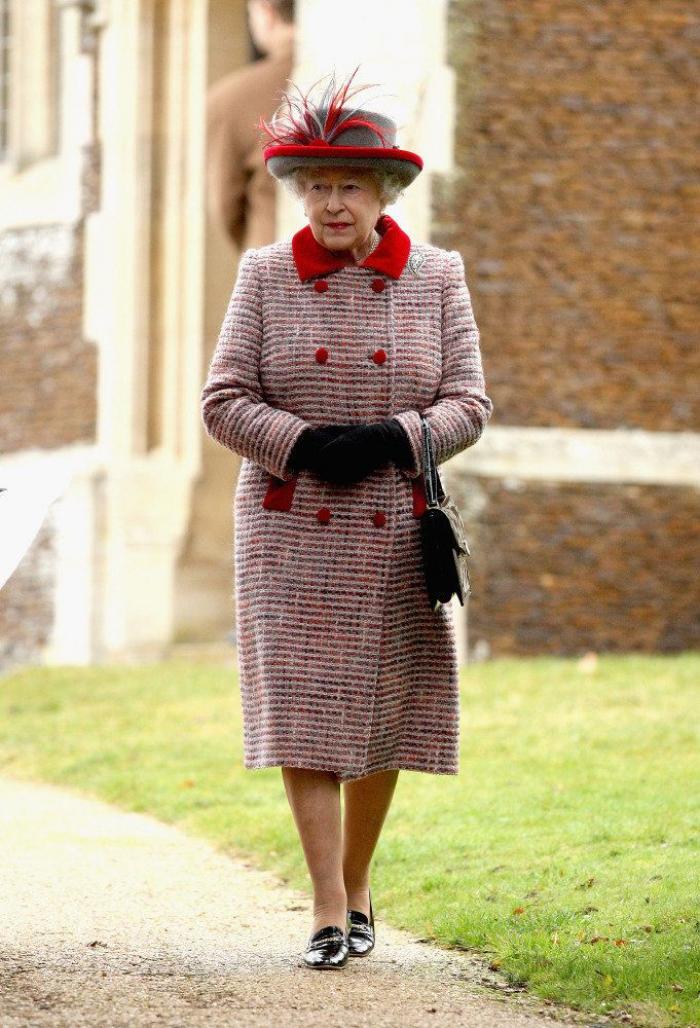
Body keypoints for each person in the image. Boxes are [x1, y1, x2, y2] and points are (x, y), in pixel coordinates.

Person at [200, 69, 494, 970]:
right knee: (305, 716)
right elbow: (222, 402)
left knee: (381, 716)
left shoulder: (438, 276)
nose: (331, 204)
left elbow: (470, 404)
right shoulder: (262, 274)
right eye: (317, 186)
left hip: (394, 527)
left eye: (350, 187)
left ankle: (358, 876)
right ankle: (329, 905)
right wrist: (298, 443)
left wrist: (396, 435)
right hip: (291, 528)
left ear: (385, 194)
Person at [205, 0, 295, 251]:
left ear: (266, 12)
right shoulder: (359, 77)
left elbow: (226, 206)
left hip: (273, 267)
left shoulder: (231, 97)